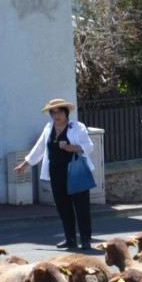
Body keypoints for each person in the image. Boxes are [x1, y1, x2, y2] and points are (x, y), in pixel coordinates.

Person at [14, 97, 96, 251]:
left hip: (75, 170)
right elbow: (39, 148)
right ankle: (70, 238)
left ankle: (85, 238)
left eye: (59, 112)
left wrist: (76, 147)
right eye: (53, 112)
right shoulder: (48, 127)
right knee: (63, 206)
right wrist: (25, 164)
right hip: (56, 171)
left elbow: (89, 146)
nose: (57, 115)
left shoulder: (77, 127)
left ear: (66, 113)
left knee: (81, 206)